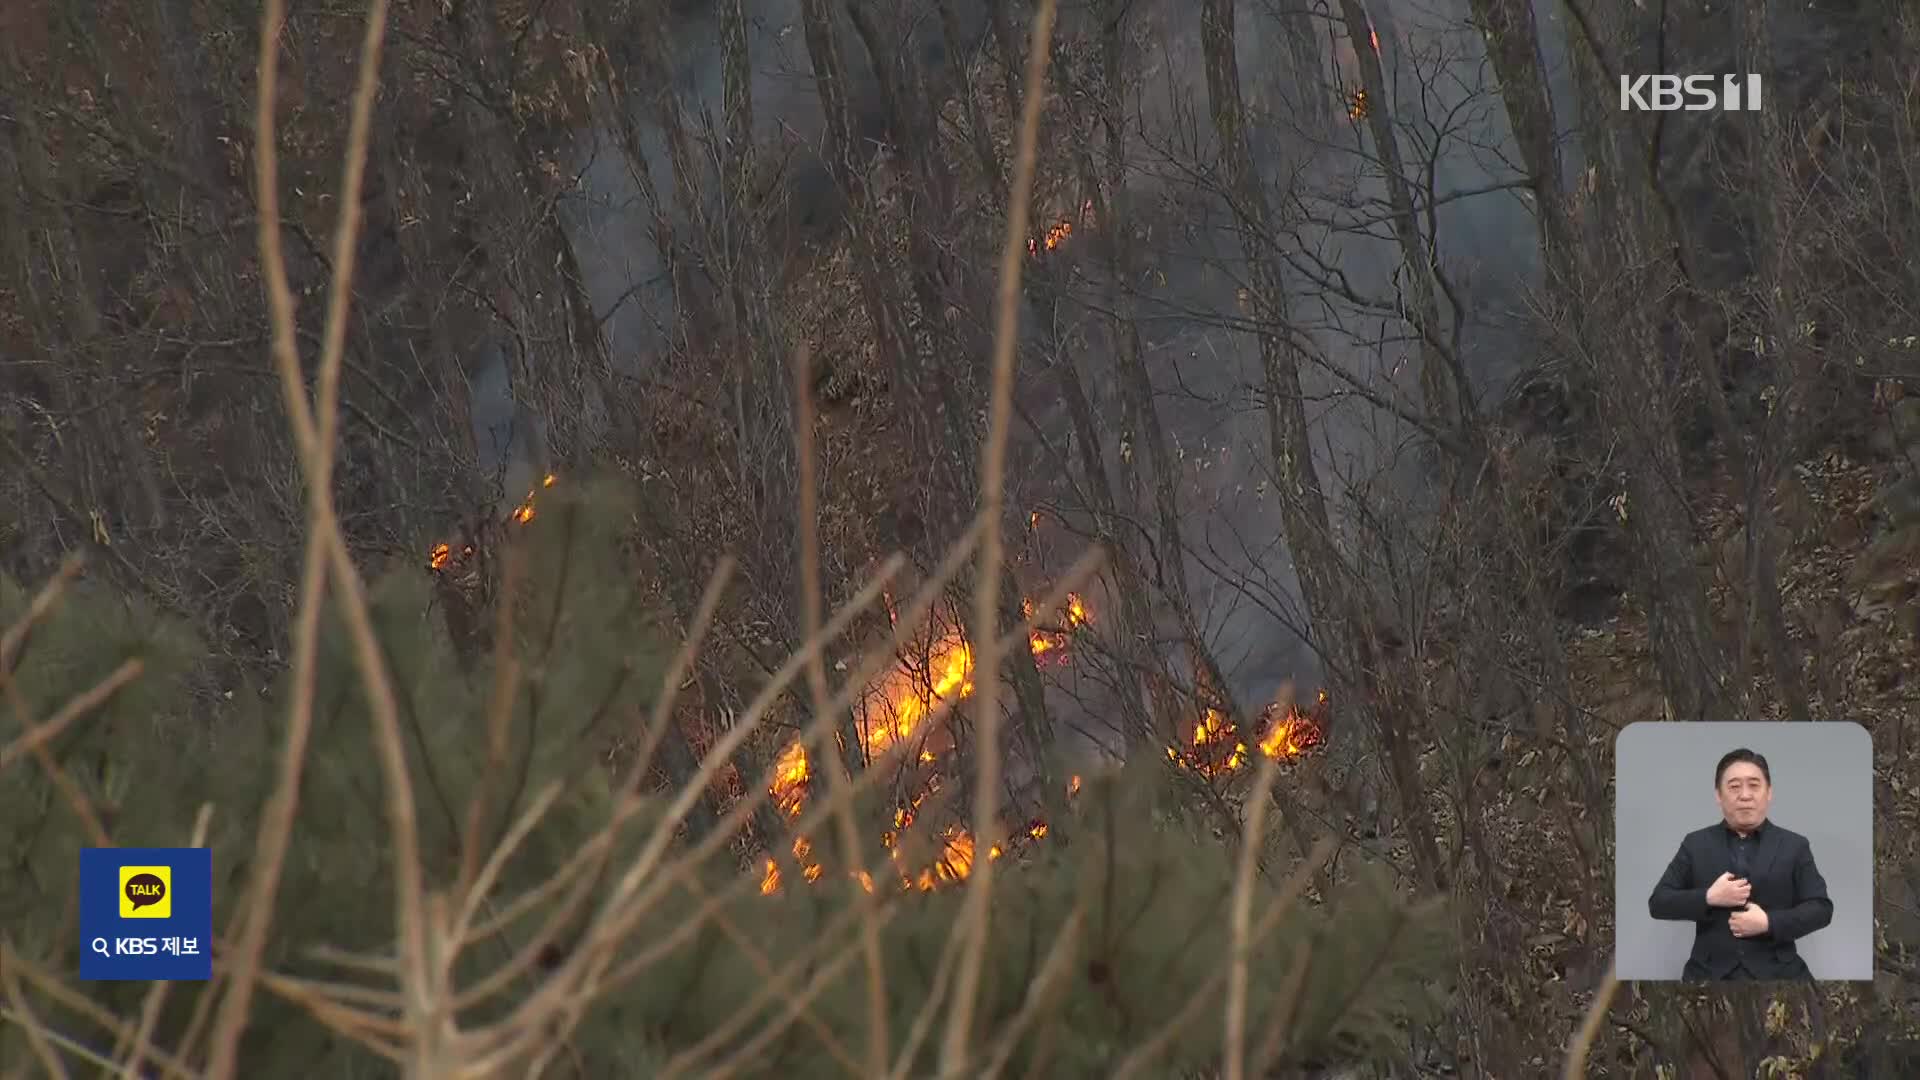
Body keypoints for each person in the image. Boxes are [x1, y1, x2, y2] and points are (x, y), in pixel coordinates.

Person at [1648, 748, 1834, 980]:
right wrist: (1709, 897)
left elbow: (1821, 909)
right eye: (1734, 786)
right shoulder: (1695, 843)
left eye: (1754, 785)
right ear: (1718, 795)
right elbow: (1658, 903)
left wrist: (1769, 922)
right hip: (1707, 976)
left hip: (1781, 975)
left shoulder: (1795, 845)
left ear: (1769, 793)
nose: (1745, 795)